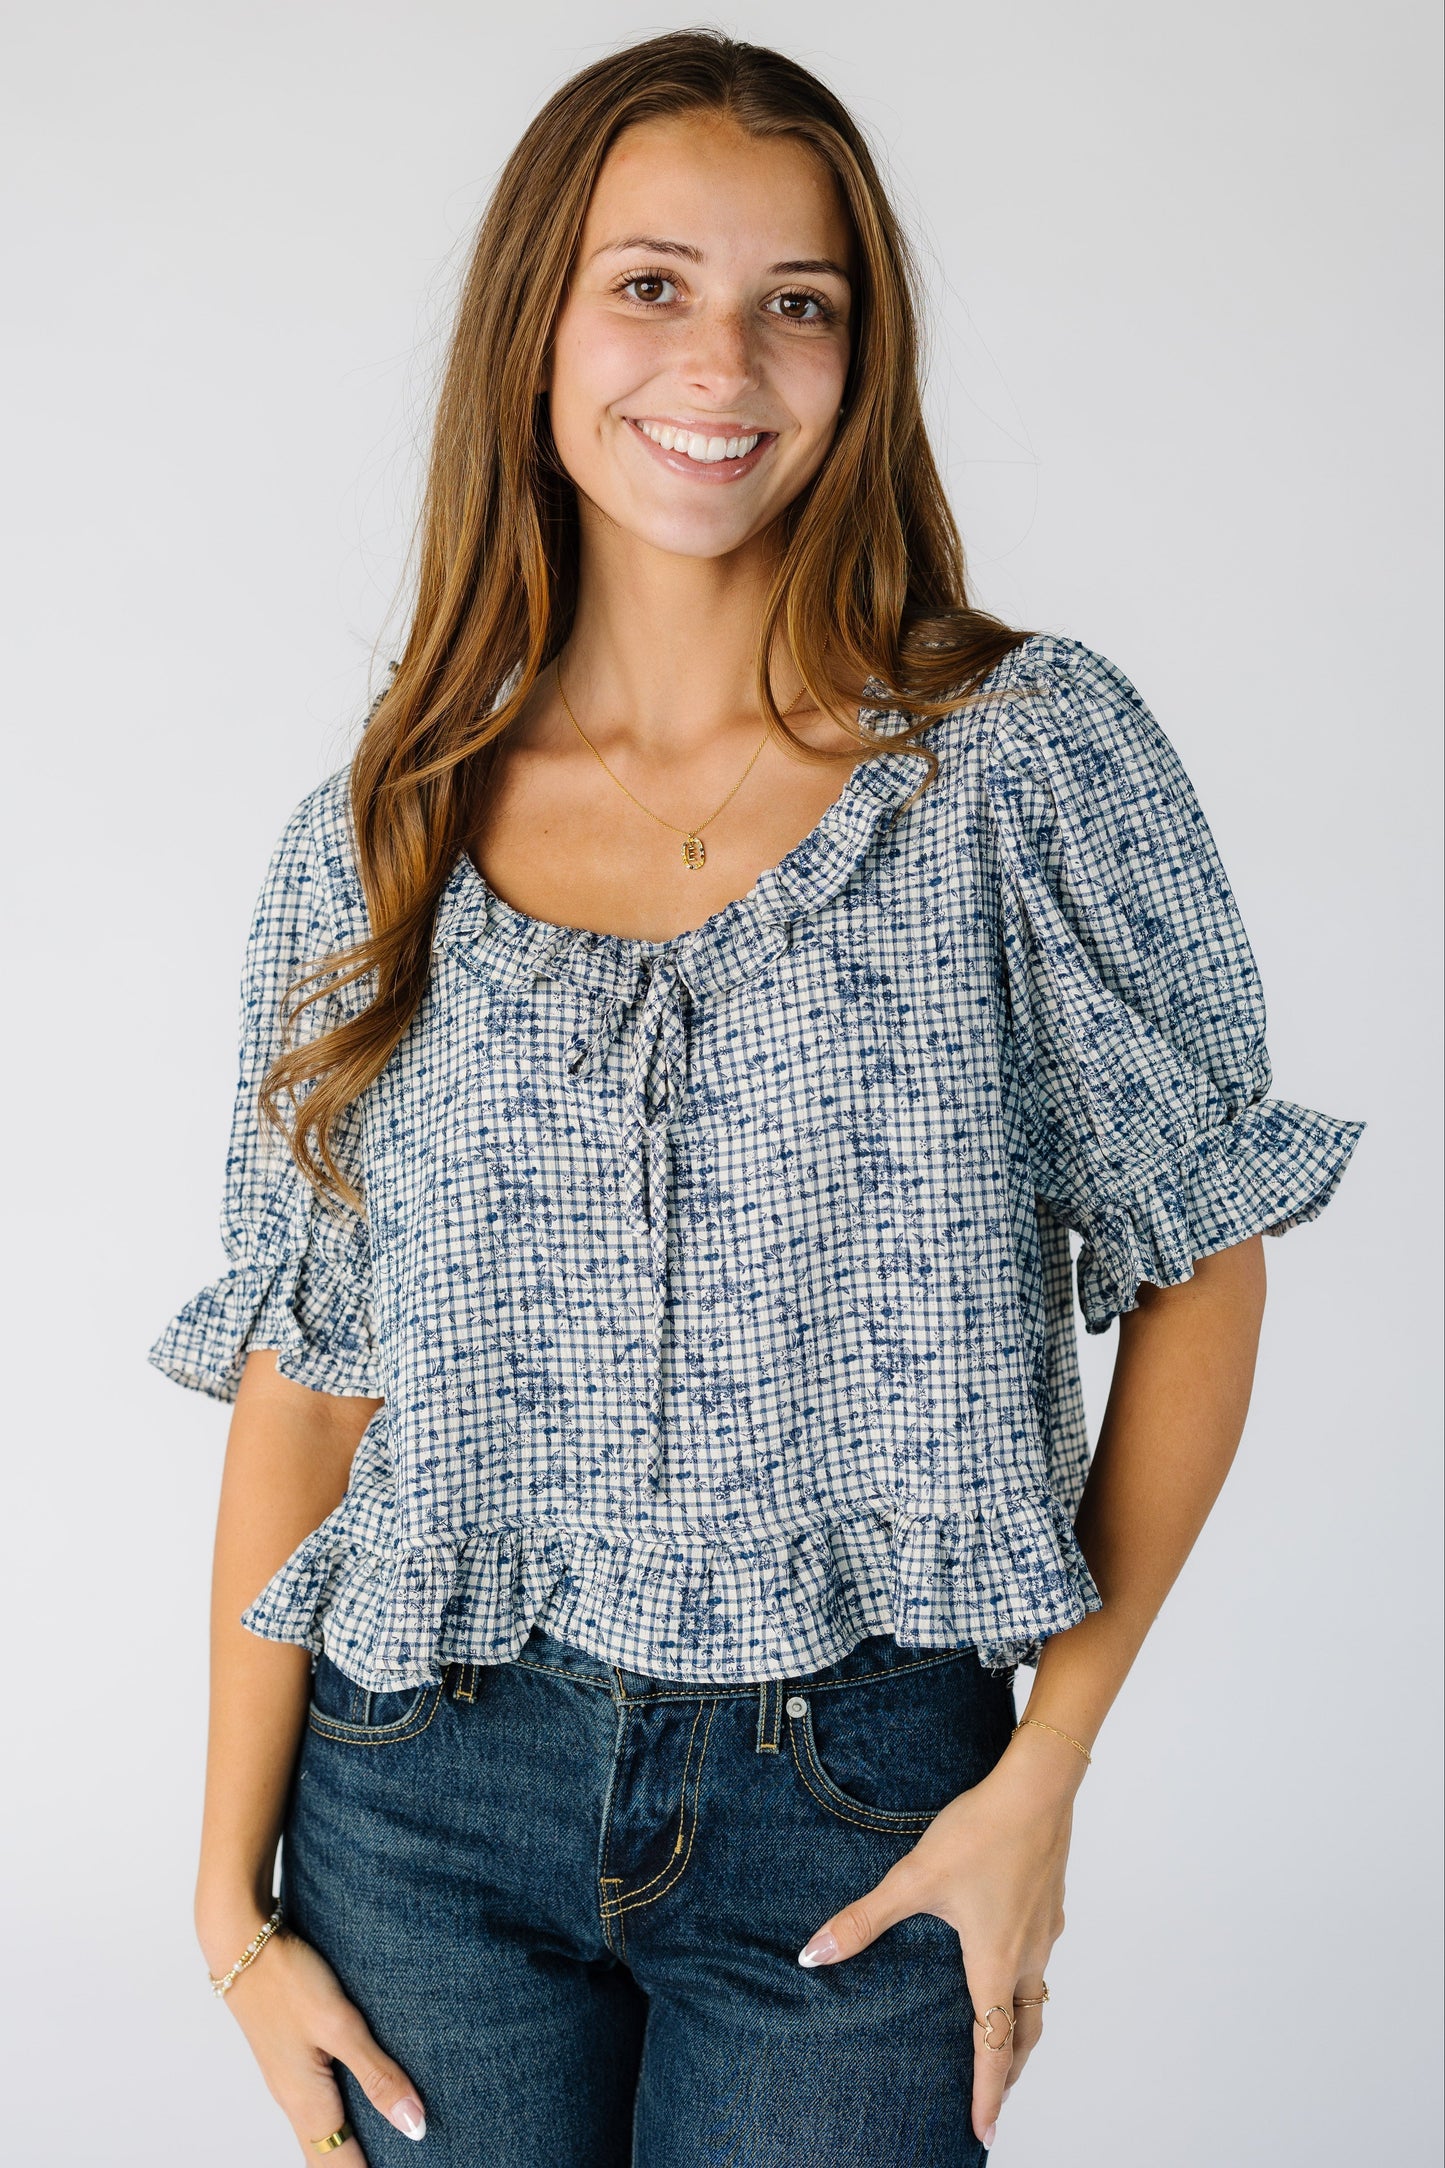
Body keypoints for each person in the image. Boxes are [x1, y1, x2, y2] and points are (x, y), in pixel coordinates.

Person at [148, 29, 1363, 2168]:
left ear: (858, 353)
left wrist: (1042, 1771)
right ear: (533, 324)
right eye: (651, 285)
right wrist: (228, 1907)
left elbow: (1205, 1248)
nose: (724, 361)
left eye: (798, 301)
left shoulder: (1021, 763)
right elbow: (310, 1371)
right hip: (418, 1797)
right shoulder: (381, 833)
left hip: (863, 1802)